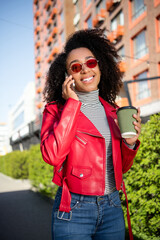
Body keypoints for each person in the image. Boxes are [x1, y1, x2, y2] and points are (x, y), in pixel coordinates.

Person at [40, 29, 141, 240]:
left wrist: (130, 144)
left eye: (91, 63)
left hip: (112, 206)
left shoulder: (113, 111)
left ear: (100, 66)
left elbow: (120, 167)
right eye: (76, 67)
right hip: (74, 208)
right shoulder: (55, 111)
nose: (85, 70)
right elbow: (52, 156)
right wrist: (72, 105)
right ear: (68, 76)